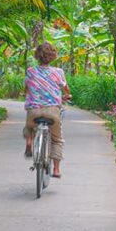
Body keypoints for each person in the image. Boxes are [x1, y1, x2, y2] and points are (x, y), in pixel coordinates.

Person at [23, 42, 71, 178]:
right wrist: (67, 95)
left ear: (37, 56)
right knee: (57, 139)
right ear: (52, 56)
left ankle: (29, 141)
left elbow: (26, 88)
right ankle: (56, 169)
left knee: (29, 127)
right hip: (52, 111)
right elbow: (65, 88)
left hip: (34, 111)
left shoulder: (30, 71)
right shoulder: (58, 72)